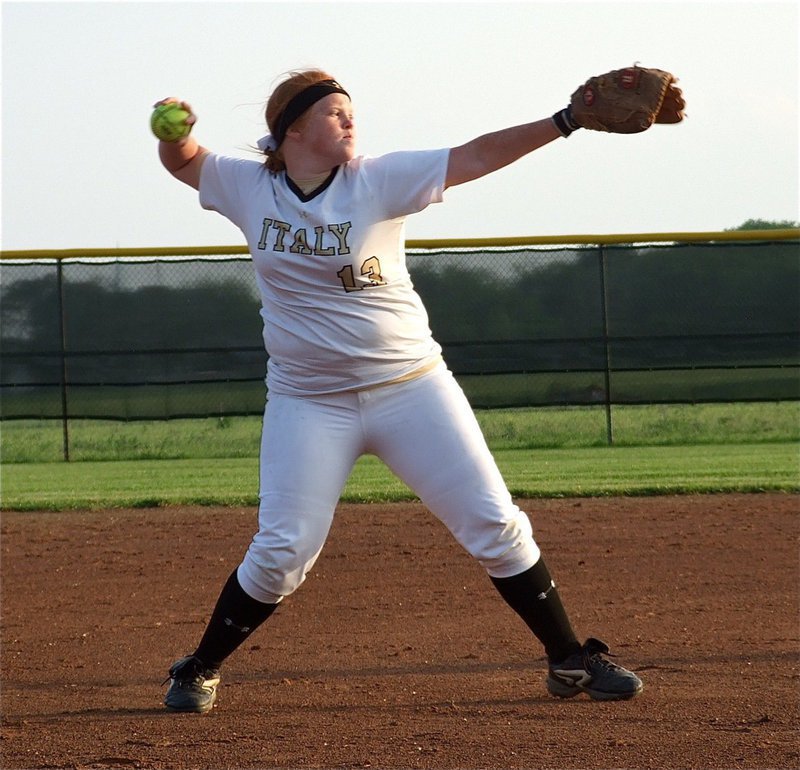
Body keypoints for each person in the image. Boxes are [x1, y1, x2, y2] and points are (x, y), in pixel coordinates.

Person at [154, 68, 643, 713]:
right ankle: (199, 668)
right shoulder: (247, 186)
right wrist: (176, 132)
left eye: (351, 110)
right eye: (334, 113)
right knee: (283, 549)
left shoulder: (377, 180)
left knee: (495, 525)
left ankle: (569, 662)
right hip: (309, 401)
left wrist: (565, 120)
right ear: (292, 130)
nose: (350, 120)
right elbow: (184, 162)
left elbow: (475, 155)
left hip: (410, 388)